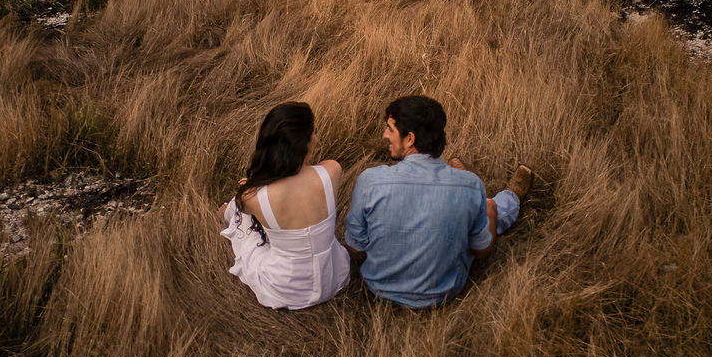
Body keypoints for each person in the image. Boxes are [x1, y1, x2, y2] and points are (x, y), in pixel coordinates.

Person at [343, 95, 532, 309]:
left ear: (410, 139)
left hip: (379, 288)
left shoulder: (370, 181)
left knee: (469, 205)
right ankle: (508, 199)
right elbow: (480, 250)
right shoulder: (472, 184)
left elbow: (355, 249)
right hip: (443, 292)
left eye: (390, 129)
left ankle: (480, 199)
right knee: (488, 208)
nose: (385, 135)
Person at [220, 101, 350, 310]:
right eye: (313, 133)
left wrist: (246, 186)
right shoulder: (332, 170)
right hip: (333, 276)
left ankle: (226, 213)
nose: (316, 139)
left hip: (286, 288)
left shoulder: (251, 194)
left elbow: (249, 201)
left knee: (240, 206)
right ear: (303, 143)